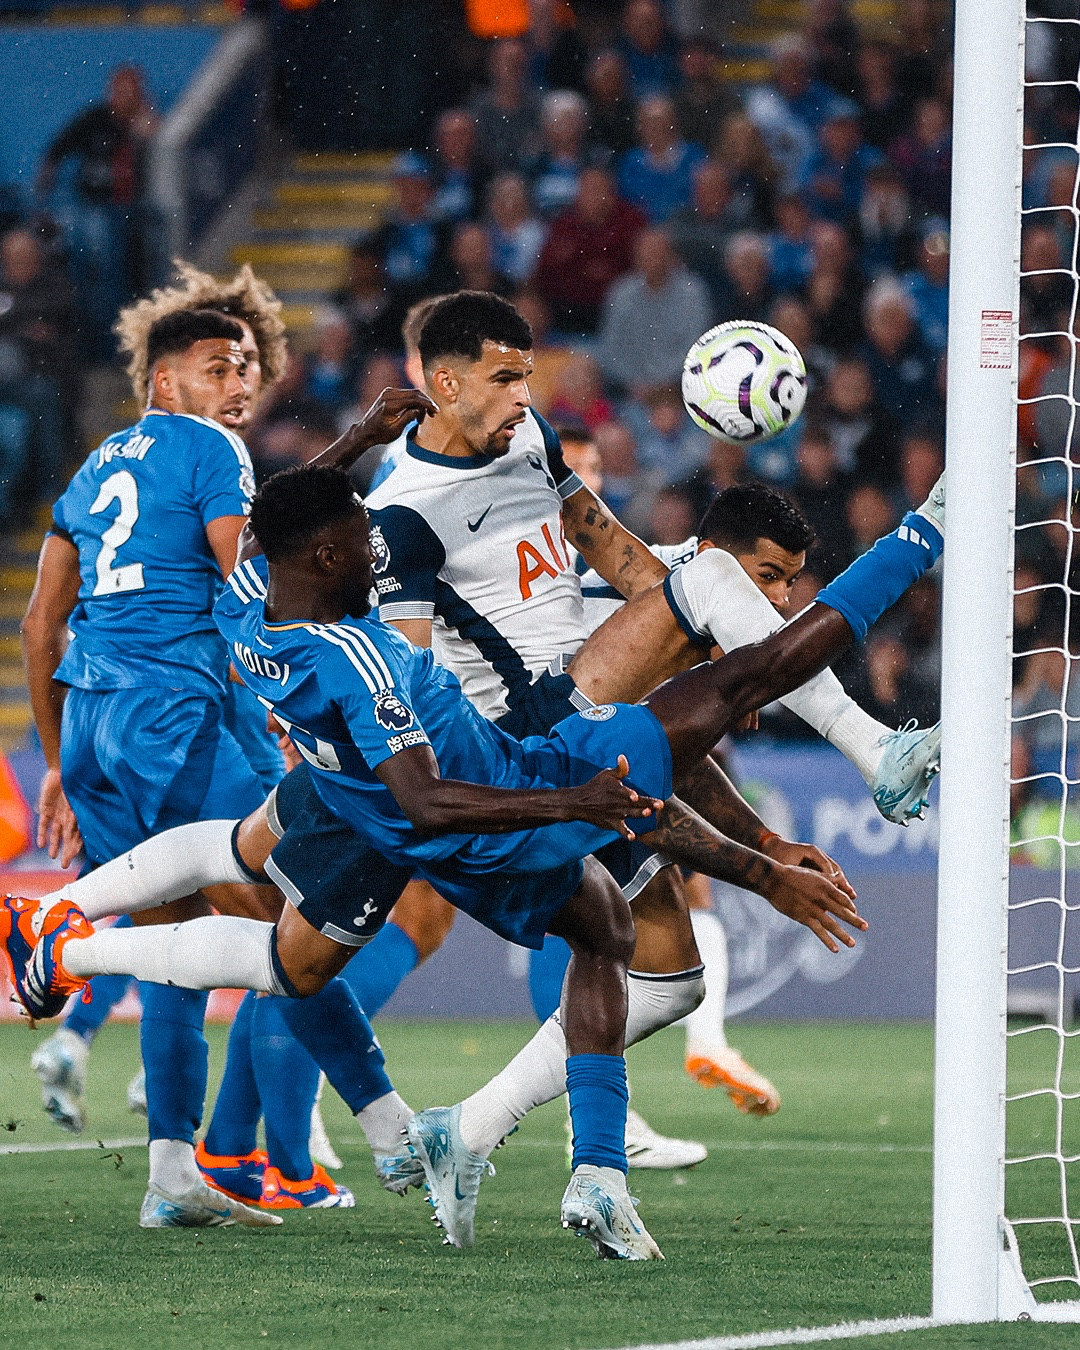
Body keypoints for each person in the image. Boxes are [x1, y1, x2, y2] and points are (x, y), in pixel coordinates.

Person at [1, 436, 946, 1254]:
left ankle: (63, 933)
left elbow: (264, 533)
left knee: (282, 942)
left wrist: (357, 438)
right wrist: (571, 800)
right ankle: (927, 536)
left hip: (349, 797)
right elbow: (434, 798)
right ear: (326, 555)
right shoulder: (362, 659)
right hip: (495, 790)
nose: (381, 548)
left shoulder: (248, 602)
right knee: (747, 691)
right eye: (363, 539)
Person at [21, 308, 428, 1226]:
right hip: (175, 712)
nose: (237, 383)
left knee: (174, 949)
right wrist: (356, 447)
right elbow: (255, 567)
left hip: (91, 720)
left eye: (244, 366)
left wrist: (55, 763)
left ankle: (172, 1172)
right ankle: (391, 1123)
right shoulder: (210, 450)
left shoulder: (89, 473)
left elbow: (40, 624)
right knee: (293, 924)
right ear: (163, 382)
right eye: (216, 366)